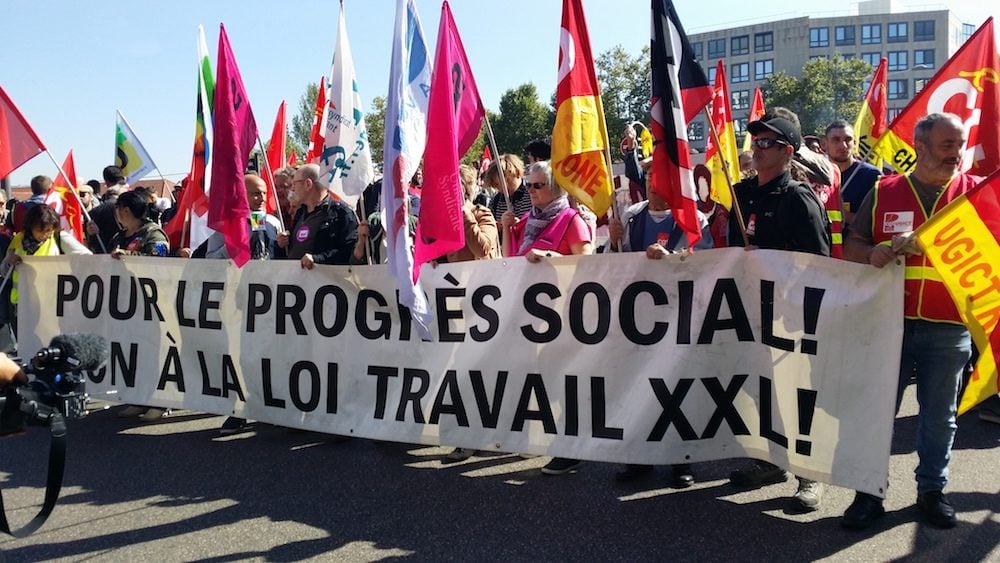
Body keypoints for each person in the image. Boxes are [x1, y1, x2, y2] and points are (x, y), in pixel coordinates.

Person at [841, 113, 978, 530]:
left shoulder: (974, 195)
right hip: (888, 325)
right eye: (947, 145)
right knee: (878, 412)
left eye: (959, 144)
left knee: (940, 417)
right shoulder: (885, 191)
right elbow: (852, 245)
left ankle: (932, 492)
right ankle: (868, 494)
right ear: (920, 146)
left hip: (949, 326)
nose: (956, 153)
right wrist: (871, 253)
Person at [726, 114, 831, 512]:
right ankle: (769, 461)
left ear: (787, 152)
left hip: (791, 316)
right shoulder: (741, 194)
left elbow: (819, 265)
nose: (756, 148)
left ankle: (811, 475)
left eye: (767, 143)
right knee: (759, 391)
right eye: (755, 142)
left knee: (795, 395)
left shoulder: (799, 200)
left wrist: (770, 263)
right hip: (750, 313)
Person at [606, 179, 711, 487]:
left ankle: (682, 459)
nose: (655, 184)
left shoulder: (693, 218)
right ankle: (641, 455)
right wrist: (613, 242)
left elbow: (707, 262)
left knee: (677, 388)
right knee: (639, 385)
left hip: (678, 315)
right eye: (651, 176)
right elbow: (615, 263)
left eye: (662, 174)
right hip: (639, 316)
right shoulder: (631, 216)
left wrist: (672, 256)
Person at [500, 160, 593, 475]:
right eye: (529, 184)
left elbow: (589, 265)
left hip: (562, 318)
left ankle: (570, 449)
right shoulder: (526, 220)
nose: (531, 190)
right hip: (528, 319)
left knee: (562, 382)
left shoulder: (571, 220)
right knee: (533, 379)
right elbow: (507, 261)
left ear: (556, 187)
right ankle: (536, 437)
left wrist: (555, 259)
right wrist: (504, 229)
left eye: (538, 185)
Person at [442, 164, 500, 462]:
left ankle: (481, 436)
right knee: (459, 374)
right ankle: (465, 434)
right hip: (453, 306)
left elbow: (483, 248)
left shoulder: (482, 214)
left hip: (483, 308)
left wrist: (464, 212)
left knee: (480, 374)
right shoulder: (441, 220)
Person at [108, 190, 171, 421]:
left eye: (118, 209)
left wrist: (128, 256)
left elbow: (159, 261)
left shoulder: (153, 233)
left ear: (125, 210)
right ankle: (138, 397)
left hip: (150, 304)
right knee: (132, 353)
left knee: (154, 353)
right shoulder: (119, 236)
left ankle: (160, 401)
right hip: (126, 304)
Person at [2, 205, 92, 338]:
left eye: (49, 230)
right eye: (40, 230)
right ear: (30, 226)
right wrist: (10, 262)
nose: (45, 234)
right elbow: (4, 269)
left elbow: (87, 257)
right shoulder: (18, 239)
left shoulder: (59, 238)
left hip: (50, 305)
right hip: (21, 304)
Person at [277, 163, 359, 269]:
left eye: (295, 183)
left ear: (308, 184)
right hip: (297, 282)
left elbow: (349, 251)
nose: (293, 189)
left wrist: (317, 259)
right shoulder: (300, 213)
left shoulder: (341, 214)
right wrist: (283, 242)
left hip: (324, 282)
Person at [822, 120, 881, 228]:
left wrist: (843, 214)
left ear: (855, 143)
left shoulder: (872, 175)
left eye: (848, 140)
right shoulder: (816, 175)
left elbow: (879, 221)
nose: (843, 145)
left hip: (857, 243)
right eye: (836, 140)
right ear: (824, 144)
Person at [86, 166, 128, 252]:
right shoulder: (137, 204)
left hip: (104, 255)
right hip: (127, 255)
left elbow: (91, 240)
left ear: (107, 182)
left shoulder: (95, 212)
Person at [485, 154, 531, 227]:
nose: (502, 187)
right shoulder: (495, 202)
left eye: (508, 180)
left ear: (517, 173)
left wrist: (521, 225)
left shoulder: (533, 193)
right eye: (496, 185)